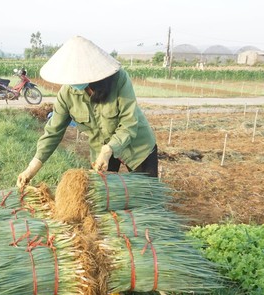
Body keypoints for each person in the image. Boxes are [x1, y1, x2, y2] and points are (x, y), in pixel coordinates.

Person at [17, 36, 158, 187]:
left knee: (146, 194)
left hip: (137, 146)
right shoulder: (67, 94)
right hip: (100, 154)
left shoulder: (119, 80)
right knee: (102, 198)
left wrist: (109, 149)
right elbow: (52, 132)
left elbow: (129, 123)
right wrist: (31, 169)